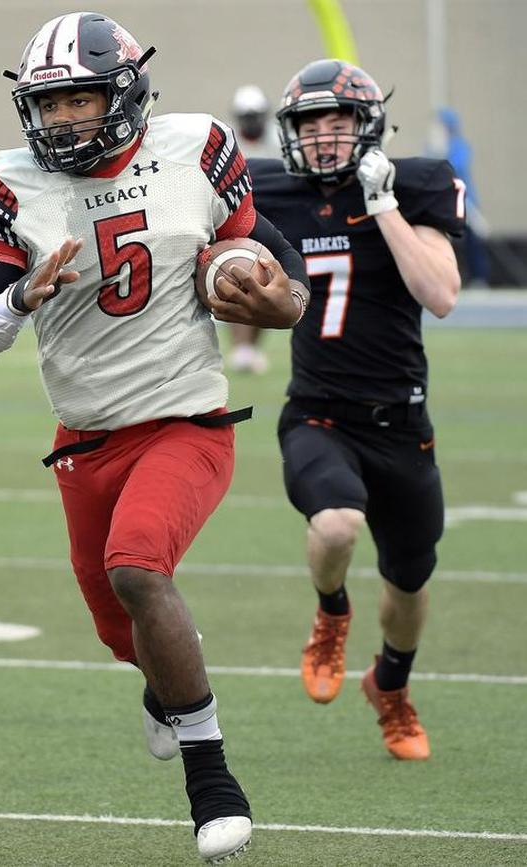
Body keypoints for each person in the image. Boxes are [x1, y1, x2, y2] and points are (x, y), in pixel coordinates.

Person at [0, 13, 310, 863]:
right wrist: (19, 300)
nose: (66, 118)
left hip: (187, 419)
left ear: (124, 90)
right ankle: (166, 690)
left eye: (80, 97)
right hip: (86, 440)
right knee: (123, 629)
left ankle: (211, 775)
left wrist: (276, 304)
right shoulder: (3, 184)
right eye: (51, 102)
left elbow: (285, 277)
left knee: (138, 565)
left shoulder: (197, 148)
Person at [249, 59, 463, 760]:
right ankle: (331, 613)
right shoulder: (270, 189)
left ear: (368, 126)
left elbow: (441, 293)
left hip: (402, 422)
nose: (324, 136)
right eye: (311, 123)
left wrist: (384, 206)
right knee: (336, 525)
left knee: (409, 579)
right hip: (318, 414)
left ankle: (391, 686)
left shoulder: (417, 182)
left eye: (338, 120)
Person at [226, 84, 281, 375]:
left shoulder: (278, 139)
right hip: (238, 220)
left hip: (273, 219)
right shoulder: (229, 141)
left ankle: (251, 348)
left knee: (268, 283)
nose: (252, 121)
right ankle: (240, 347)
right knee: (237, 277)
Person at [427, 107, 489, 286]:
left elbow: (454, 169)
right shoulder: (432, 146)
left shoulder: (459, 146)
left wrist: (442, 151)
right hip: (442, 201)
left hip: (465, 200)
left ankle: (479, 277)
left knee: (472, 240)